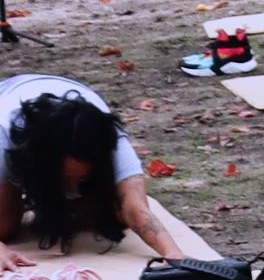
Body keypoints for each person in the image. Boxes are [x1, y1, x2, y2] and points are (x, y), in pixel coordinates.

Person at [0, 78, 196, 265]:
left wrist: (172, 254)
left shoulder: (110, 142)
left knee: (115, 216)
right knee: (4, 226)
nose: (71, 187)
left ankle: (72, 196)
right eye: (65, 177)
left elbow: (136, 207)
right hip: (9, 98)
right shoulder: (4, 138)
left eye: (82, 178)